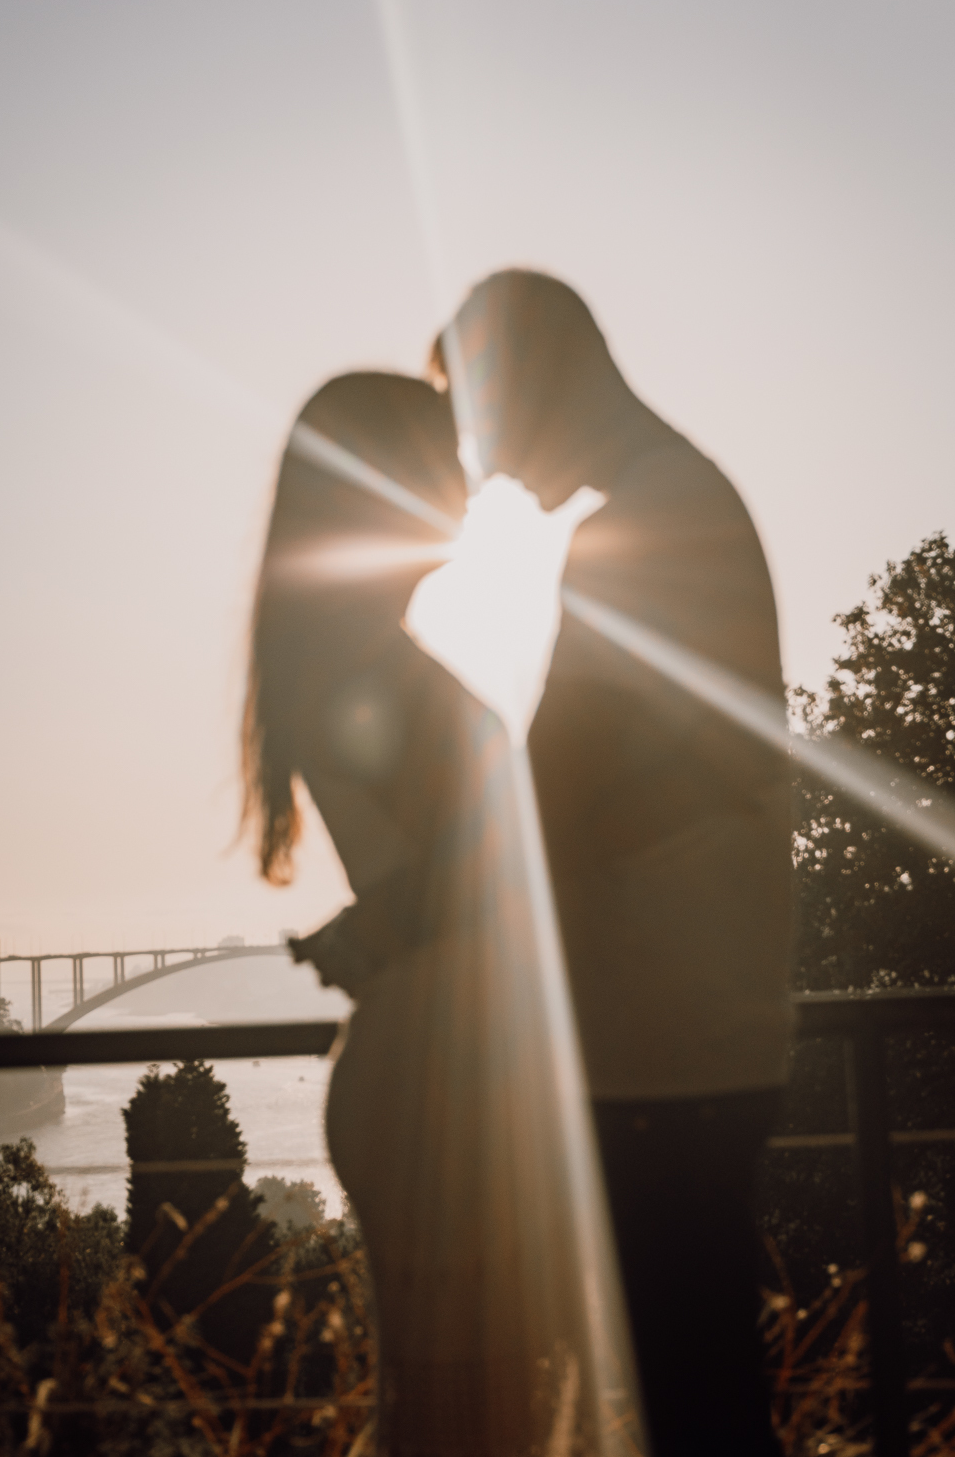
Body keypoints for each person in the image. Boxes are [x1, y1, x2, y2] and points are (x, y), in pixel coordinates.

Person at [433, 269, 794, 1457]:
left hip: (658, 1049)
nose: (481, 467)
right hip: (689, 1032)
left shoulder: (646, 522)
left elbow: (579, 787)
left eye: (481, 425)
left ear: (537, 384)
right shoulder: (672, 501)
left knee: (686, 1397)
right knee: (700, 1388)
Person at [241, 371, 592, 1457]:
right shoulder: (361, 669)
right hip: (448, 1085)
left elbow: (428, 879)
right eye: (439, 457)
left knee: (468, 1422)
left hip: (451, 1068)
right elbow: (458, 885)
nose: (467, 478)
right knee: (476, 1425)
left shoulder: (352, 659)